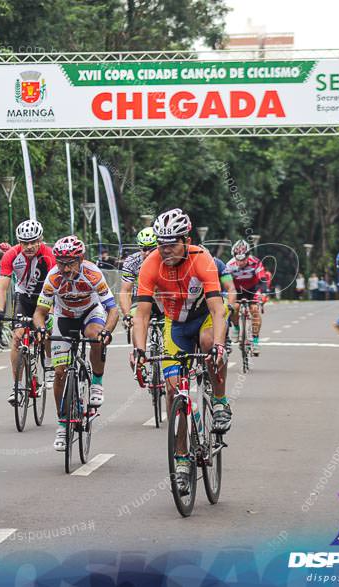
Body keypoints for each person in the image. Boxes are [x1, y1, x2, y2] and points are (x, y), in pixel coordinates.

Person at [131, 209, 229, 495]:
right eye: (161, 244)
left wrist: (221, 345)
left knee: (211, 344)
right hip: (176, 325)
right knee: (174, 392)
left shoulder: (202, 260)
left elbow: (217, 309)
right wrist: (138, 349)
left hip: (203, 319)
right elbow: (142, 314)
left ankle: (220, 401)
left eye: (172, 243)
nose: (166, 250)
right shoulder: (151, 264)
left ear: (187, 240)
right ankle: (182, 460)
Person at [33, 236, 118, 451]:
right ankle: (62, 425)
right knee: (60, 372)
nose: (65, 267)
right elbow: (39, 312)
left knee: (95, 335)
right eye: (60, 262)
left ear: (81, 259)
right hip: (65, 315)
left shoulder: (93, 274)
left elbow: (112, 309)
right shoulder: (53, 277)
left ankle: (97, 382)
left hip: (91, 312)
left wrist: (107, 331)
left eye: (70, 262)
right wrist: (41, 329)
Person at [0, 220, 56, 405]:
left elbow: (54, 286)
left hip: (45, 297)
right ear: (19, 242)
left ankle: (50, 364)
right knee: (17, 338)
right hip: (24, 298)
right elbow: (2, 288)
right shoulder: (11, 255)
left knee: (46, 330)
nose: (29, 246)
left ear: (41, 240)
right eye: (24, 242)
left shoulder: (49, 255)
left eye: (33, 242)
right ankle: (18, 387)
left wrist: (50, 312)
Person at [227, 239, 270, 356]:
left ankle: (255, 341)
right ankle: (236, 327)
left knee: (255, 310)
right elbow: (225, 282)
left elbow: (262, 279)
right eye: (238, 259)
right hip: (237, 289)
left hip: (252, 289)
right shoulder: (229, 265)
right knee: (233, 307)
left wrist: (264, 293)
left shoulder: (256, 262)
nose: (241, 262)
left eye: (244, 259)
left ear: (248, 256)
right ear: (234, 256)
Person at [120, 228, 164, 332]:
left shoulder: (167, 259)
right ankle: (138, 348)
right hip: (140, 297)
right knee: (136, 322)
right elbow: (125, 291)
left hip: (163, 297)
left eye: (152, 249)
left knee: (168, 327)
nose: (148, 253)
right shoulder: (131, 262)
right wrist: (127, 315)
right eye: (144, 249)